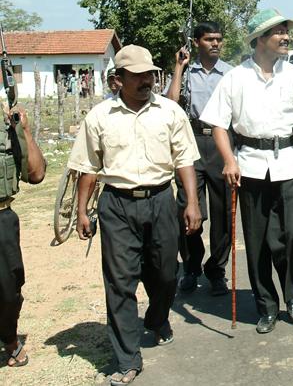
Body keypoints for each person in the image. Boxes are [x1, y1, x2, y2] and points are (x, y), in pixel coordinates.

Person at [68, 45, 202, 385]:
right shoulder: (99, 117)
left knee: (167, 273)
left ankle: (157, 318)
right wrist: (82, 212)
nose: (147, 81)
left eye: (151, 74)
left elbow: (185, 158)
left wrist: (191, 202)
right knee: (120, 282)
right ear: (117, 80)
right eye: (138, 75)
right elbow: (87, 167)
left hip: (160, 201)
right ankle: (127, 358)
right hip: (117, 205)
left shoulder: (170, 112)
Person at [200, 8, 293, 335]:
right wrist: (229, 160)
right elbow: (219, 126)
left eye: (285, 30)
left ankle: (292, 294)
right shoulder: (235, 78)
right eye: (278, 31)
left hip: (290, 163)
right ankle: (266, 305)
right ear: (260, 39)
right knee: (257, 241)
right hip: (249, 164)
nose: (286, 36)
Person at [165, 22, 234, 296]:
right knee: (188, 209)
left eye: (218, 39)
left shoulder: (231, 74)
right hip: (191, 143)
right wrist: (179, 67)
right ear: (196, 43)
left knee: (224, 213)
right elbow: (170, 104)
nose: (215, 44)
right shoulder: (186, 73)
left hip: (222, 145)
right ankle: (191, 267)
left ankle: (216, 269)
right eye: (209, 39)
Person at [0, 105, 46, 369]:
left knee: (8, 292)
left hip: (2, 217)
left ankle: (8, 337)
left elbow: (37, 174)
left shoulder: (8, 119)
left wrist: (24, 129)